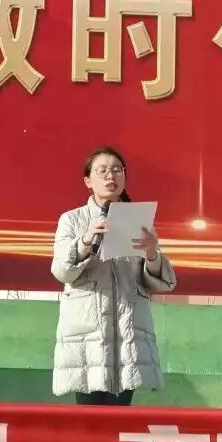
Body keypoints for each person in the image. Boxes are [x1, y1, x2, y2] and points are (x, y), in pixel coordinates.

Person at [50, 147, 176, 406]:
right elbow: (62, 271)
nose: (111, 176)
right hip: (88, 336)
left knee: (120, 415)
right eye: (103, 170)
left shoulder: (138, 221)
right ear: (88, 181)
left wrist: (152, 253)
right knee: (89, 416)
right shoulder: (72, 220)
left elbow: (158, 282)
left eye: (117, 170)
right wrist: (86, 240)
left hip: (127, 335)